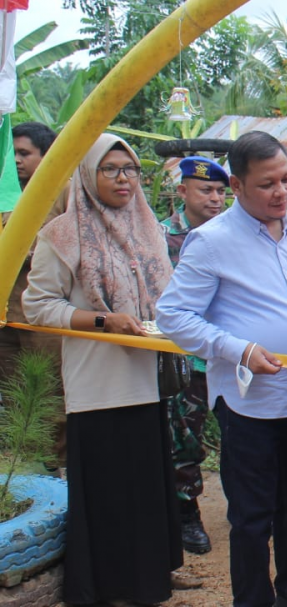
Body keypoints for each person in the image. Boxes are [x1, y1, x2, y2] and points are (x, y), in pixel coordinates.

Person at [156, 131, 287, 607]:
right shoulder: (211, 241)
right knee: (253, 517)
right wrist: (238, 349)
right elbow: (173, 316)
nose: (281, 192)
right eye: (267, 184)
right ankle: (253, 600)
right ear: (237, 186)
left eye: (286, 179)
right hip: (248, 406)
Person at [23, 133, 183, 605]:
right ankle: (109, 588)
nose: (122, 179)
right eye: (109, 169)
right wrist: (102, 319)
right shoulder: (61, 234)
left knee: (144, 489)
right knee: (109, 493)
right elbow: (38, 306)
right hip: (97, 384)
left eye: (129, 169)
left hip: (145, 378)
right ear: (87, 175)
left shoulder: (146, 227)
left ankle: (148, 582)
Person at [160, 155, 228, 556]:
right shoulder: (162, 236)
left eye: (221, 191)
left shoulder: (234, 234)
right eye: (206, 190)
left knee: (240, 436)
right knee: (185, 438)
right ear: (183, 191)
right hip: (186, 358)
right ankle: (186, 513)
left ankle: (245, 505)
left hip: (231, 353)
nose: (215, 199)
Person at [2, 121, 62, 382]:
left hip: (44, 317)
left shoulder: (64, 192)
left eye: (24, 154)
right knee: (15, 399)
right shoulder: (5, 196)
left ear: (47, 154)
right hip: (7, 316)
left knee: (48, 393)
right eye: (11, 154)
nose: (16, 160)